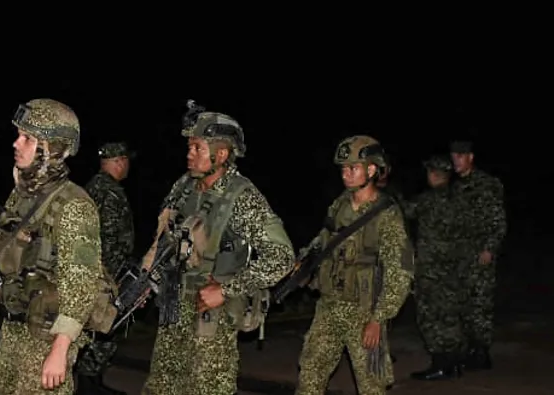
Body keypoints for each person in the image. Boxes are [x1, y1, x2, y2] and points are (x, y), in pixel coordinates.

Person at [141, 100, 294, 395]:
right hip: (173, 306)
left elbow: (282, 257)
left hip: (209, 316)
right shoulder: (184, 186)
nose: (189, 154)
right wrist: (149, 275)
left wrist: (224, 290)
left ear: (221, 153)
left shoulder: (242, 197)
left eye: (197, 148)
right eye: (189, 147)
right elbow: (165, 236)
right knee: (161, 386)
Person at [0, 98, 113, 394]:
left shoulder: (74, 205)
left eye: (27, 138)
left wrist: (60, 348)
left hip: (47, 336)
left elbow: (81, 283)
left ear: (52, 149)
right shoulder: (22, 195)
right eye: (18, 135)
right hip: (15, 326)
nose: (16, 144)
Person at [294, 135, 413, 395]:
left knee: (371, 385)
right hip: (329, 305)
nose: (346, 175)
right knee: (310, 375)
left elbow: (400, 272)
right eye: (343, 169)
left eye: (352, 168)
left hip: (364, 310)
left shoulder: (387, 215)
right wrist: (304, 263)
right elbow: (324, 239)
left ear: (371, 169)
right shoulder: (340, 205)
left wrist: (379, 319)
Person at [74, 142, 136, 395]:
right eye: (125, 160)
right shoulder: (109, 193)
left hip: (95, 271)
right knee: (103, 327)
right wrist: (113, 280)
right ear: (118, 162)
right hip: (107, 274)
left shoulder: (92, 187)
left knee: (94, 329)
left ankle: (91, 383)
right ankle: (89, 386)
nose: (127, 165)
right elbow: (107, 238)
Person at [408, 155, 468, 380]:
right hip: (454, 267)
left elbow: (404, 211)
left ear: (434, 174)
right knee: (450, 314)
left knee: (430, 315)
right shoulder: (460, 200)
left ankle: (441, 363)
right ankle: (454, 362)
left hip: (431, 269)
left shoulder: (428, 200)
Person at [448, 140, 507, 371]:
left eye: (460, 156)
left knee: (480, 302)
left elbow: (498, 221)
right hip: (460, 255)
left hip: (479, 253)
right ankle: (469, 349)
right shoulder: (454, 187)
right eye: (453, 157)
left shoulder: (487, 184)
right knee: (462, 302)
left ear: (470, 157)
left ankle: (481, 352)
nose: (456, 161)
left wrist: (489, 248)